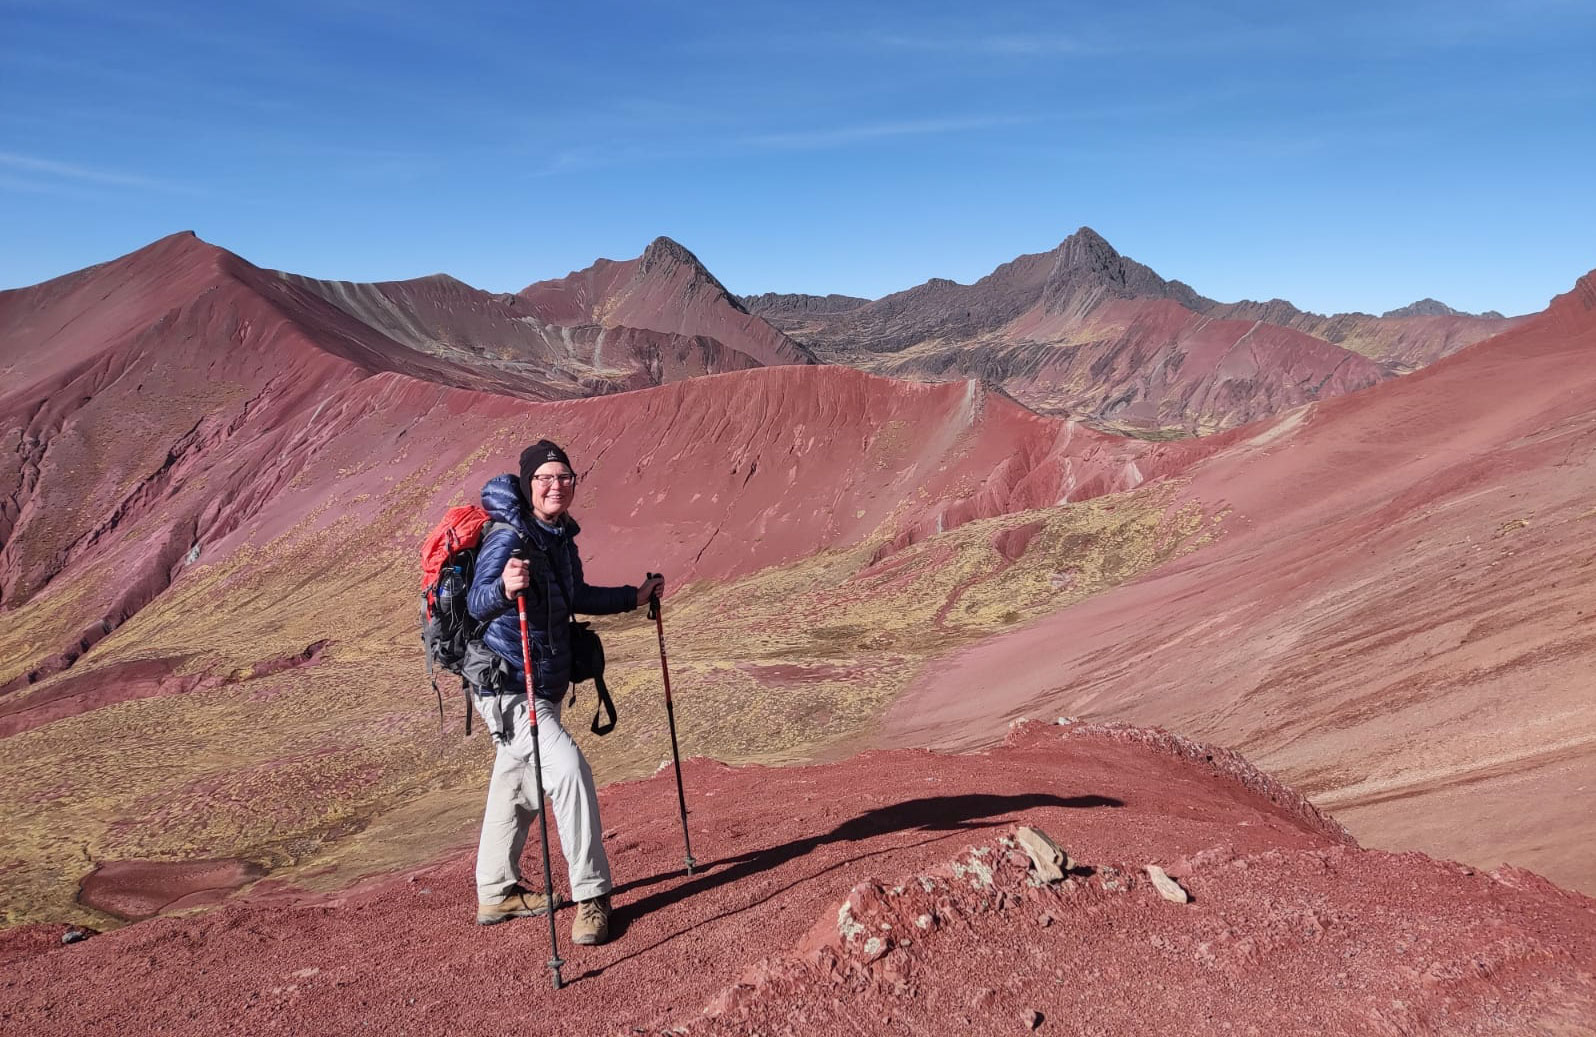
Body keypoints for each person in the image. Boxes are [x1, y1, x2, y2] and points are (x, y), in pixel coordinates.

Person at [465, 439, 663, 945]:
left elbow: (575, 594)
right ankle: (592, 894)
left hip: (541, 684)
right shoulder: (509, 537)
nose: (556, 486)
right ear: (528, 484)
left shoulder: (557, 536)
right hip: (510, 687)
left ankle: (496, 891)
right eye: (545, 478)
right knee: (569, 771)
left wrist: (633, 597)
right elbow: (475, 604)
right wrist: (505, 588)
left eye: (565, 477)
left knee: (516, 786)